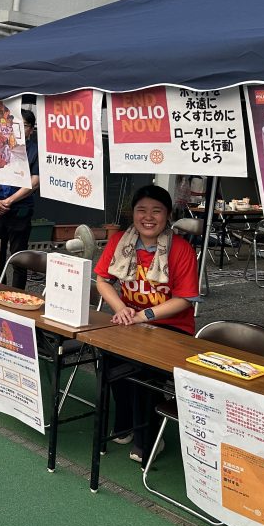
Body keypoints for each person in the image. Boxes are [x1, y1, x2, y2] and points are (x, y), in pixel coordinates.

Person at [94, 185, 199, 464]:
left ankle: (149, 438)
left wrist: (144, 315)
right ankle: (126, 421)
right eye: (142, 210)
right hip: (130, 321)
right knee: (108, 358)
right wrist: (122, 309)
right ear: (133, 214)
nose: (148, 217)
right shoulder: (120, 241)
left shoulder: (181, 248)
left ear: (168, 215)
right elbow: (102, 280)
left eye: (157, 211)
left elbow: (186, 299)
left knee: (142, 368)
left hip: (171, 327)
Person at [0, 109, 39, 289]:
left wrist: (10, 200)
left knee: (18, 257)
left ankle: (17, 296)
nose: (19, 129)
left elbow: (35, 181)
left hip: (19, 209)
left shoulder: (35, 151)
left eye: (24, 125)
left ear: (31, 130)